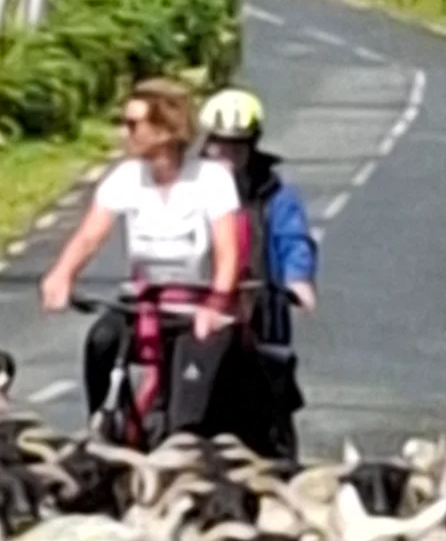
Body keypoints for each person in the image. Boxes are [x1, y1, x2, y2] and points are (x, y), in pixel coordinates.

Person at [39, 78, 246, 431]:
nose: (125, 133)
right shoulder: (126, 178)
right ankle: (103, 424)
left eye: (133, 125)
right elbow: (90, 235)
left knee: (188, 408)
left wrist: (216, 305)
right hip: (143, 304)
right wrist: (62, 274)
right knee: (102, 341)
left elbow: (229, 252)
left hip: (196, 308)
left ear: (165, 130)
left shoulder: (211, 180)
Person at [198, 86, 318, 457]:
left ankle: (278, 448)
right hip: (193, 303)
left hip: (256, 307)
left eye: (238, 146)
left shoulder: (275, 194)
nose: (228, 156)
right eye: (220, 146)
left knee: (270, 378)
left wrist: (297, 278)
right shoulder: (188, 187)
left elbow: (292, 238)